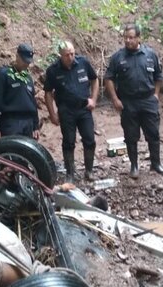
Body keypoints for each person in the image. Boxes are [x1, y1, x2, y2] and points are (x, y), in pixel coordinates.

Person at [104, 23, 163, 179]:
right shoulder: (118, 57)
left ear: (139, 38)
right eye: (125, 37)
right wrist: (115, 99)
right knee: (131, 136)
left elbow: (159, 77)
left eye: (131, 38)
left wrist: (156, 94)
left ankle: (156, 163)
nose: (127, 41)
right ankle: (134, 166)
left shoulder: (150, 55)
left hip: (148, 100)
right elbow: (108, 78)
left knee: (153, 133)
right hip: (128, 102)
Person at [44, 40, 99, 182]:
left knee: (90, 140)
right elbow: (48, 93)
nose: (70, 57)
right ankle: (70, 174)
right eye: (67, 55)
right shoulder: (53, 70)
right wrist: (52, 114)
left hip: (84, 108)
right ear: (60, 55)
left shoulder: (83, 63)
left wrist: (93, 99)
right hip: (66, 111)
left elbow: (94, 79)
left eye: (72, 53)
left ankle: (89, 171)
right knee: (68, 142)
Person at [0, 43, 40, 140]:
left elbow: (33, 102)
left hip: (28, 123)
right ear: (17, 56)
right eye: (24, 61)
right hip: (11, 122)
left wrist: (35, 125)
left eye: (28, 62)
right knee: (12, 151)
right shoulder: (3, 75)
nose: (26, 64)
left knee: (27, 153)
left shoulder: (28, 78)